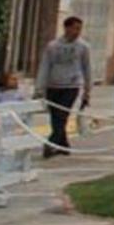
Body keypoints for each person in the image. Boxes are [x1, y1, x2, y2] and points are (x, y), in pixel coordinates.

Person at [39, 17, 92, 158]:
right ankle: (63, 145)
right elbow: (45, 66)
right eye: (75, 28)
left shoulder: (83, 47)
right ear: (66, 28)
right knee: (55, 117)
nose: (77, 31)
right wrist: (40, 88)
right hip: (53, 85)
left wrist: (87, 89)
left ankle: (51, 143)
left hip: (71, 86)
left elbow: (87, 68)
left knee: (62, 115)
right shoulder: (53, 46)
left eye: (79, 28)